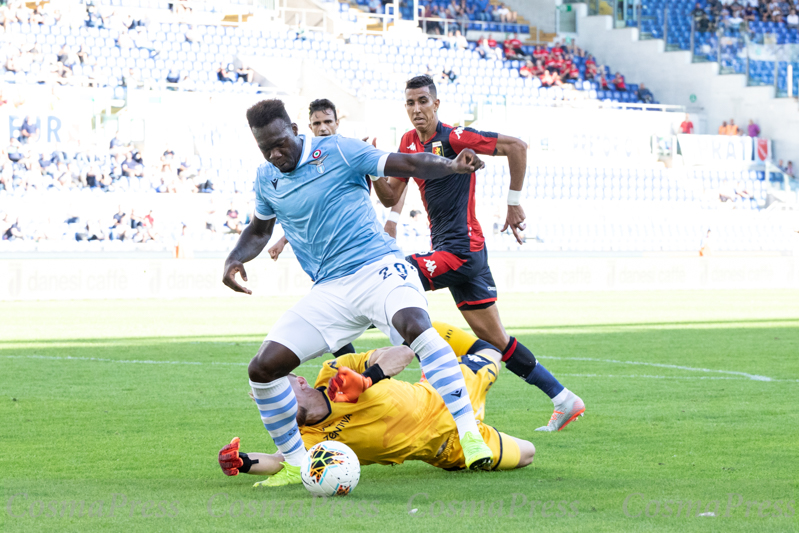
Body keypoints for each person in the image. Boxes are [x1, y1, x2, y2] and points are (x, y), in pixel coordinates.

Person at [221, 98, 493, 487]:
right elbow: (260, 229)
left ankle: (469, 433)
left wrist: (451, 165)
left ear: (295, 131)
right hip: (330, 289)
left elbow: (408, 163)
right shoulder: (267, 177)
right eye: (266, 148)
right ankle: (298, 464)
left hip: (377, 268)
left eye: (280, 143)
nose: (275, 153)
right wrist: (234, 259)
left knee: (416, 326)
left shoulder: (338, 150)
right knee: (263, 369)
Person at [372, 76, 585, 433]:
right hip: (458, 253)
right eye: (410, 103)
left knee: (394, 278)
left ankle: (398, 365)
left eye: (423, 101)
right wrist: (372, 169)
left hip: (462, 250)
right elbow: (392, 196)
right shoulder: (408, 142)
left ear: (436, 104)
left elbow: (517, 146)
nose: (416, 109)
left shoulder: (455, 138)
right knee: (496, 341)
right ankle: (563, 398)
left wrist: (513, 204)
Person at [217, 323, 537, 485]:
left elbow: (402, 353)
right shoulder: (305, 437)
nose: (274, 403)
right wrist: (242, 462)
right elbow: (279, 460)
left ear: (300, 381)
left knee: (491, 351)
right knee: (527, 454)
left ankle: (433, 331)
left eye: (276, 390)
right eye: (265, 400)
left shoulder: (335, 373)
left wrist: (368, 378)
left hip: (446, 394)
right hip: (446, 448)